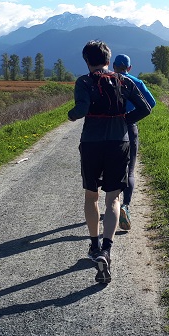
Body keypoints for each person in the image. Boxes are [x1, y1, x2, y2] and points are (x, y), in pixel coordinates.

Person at [67, 40, 152, 283]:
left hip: (91, 144)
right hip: (119, 143)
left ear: (86, 60)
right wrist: (124, 120)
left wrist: (71, 115)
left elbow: (81, 109)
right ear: (108, 59)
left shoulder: (83, 81)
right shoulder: (124, 80)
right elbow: (145, 108)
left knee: (91, 196)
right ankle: (107, 249)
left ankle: (94, 246)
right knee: (113, 198)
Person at [112, 53, 156, 231]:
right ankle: (125, 206)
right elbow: (150, 103)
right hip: (130, 127)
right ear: (129, 68)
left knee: (113, 168)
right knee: (130, 170)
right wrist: (130, 118)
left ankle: (112, 205)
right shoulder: (136, 82)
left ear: (113, 66)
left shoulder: (108, 80)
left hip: (111, 128)